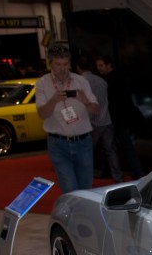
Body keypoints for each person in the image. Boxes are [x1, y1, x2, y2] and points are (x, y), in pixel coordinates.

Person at [36, 44, 100, 193]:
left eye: (65, 64)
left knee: (86, 190)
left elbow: (96, 110)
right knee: (70, 188)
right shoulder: (42, 83)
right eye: (58, 64)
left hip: (83, 142)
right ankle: (74, 215)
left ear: (70, 63)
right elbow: (42, 114)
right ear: (50, 63)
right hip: (58, 144)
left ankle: (82, 216)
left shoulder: (81, 81)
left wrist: (86, 101)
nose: (62, 68)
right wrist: (53, 101)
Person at [96, 55, 145, 179]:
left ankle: (109, 171)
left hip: (116, 118)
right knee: (119, 146)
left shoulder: (108, 81)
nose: (99, 68)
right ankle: (136, 171)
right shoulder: (120, 77)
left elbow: (111, 101)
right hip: (122, 117)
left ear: (108, 65)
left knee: (111, 147)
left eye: (101, 65)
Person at [77, 55, 123, 183]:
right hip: (106, 119)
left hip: (91, 121)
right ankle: (118, 177)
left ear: (78, 68)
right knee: (111, 150)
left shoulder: (80, 82)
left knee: (87, 152)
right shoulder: (102, 80)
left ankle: (85, 179)